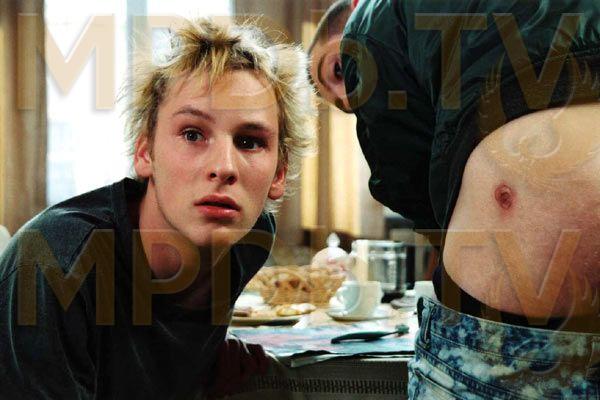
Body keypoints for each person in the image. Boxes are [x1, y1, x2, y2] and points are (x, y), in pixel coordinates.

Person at [0, 18, 315, 398]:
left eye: (249, 142)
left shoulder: (250, 238)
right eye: (192, 134)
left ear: (278, 173)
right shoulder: (53, 263)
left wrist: (206, 361)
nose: (224, 167)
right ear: (145, 152)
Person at [310, 0, 600, 398]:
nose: (351, 99)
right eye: (342, 106)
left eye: (338, 71)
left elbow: (404, 180)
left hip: (502, 348)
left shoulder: (371, 21)